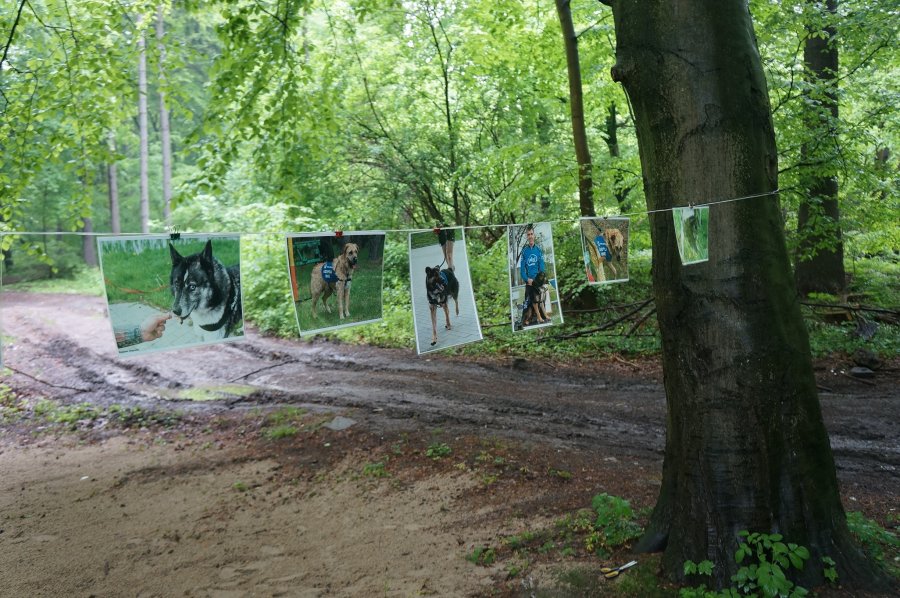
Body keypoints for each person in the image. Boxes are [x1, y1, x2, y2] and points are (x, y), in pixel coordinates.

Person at [519, 225, 547, 325]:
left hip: (537, 281)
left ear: (534, 235)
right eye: (528, 235)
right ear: (527, 237)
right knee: (530, 298)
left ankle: (542, 315)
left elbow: (542, 267)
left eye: (531, 234)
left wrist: (540, 278)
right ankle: (530, 317)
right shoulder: (524, 252)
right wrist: (527, 279)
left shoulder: (538, 250)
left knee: (541, 295)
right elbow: (522, 271)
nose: (530, 236)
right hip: (529, 282)